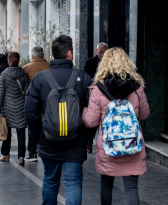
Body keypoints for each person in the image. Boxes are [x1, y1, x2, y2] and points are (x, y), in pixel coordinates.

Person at [25, 35, 92, 205]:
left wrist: (39, 136)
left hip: (48, 140)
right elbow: (92, 112)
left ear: (52, 54)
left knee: (50, 180)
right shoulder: (83, 78)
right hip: (75, 141)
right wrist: (87, 137)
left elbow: (31, 112)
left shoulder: (40, 79)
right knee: (73, 182)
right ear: (69, 54)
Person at [82, 47, 150, 205]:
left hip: (108, 145)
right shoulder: (137, 87)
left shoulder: (98, 89)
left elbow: (91, 121)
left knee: (106, 185)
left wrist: (84, 112)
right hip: (132, 143)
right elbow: (144, 115)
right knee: (131, 187)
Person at [0, 51, 29, 165]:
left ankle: (6, 154)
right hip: (21, 107)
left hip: (7, 107)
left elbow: (0, 93)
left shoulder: (4, 74)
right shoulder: (24, 74)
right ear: (19, 61)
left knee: (6, 132)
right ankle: (21, 157)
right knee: (21, 132)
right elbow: (27, 93)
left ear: (9, 61)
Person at [22, 46, 50, 162]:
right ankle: (47, 149)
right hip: (50, 100)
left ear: (32, 56)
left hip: (32, 100)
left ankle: (32, 152)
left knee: (32, 125)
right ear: (43, 55)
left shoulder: (26, 68)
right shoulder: (50, 66)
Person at [83, 42, 109, 154]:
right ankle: (89, 142)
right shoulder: (90, 63)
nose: (103, 54)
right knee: (93, 119)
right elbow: (86, 78)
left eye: (105, 52)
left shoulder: (110, 63)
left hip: (107, 94)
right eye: (101, 52)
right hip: (94, 93)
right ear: (97, 51)